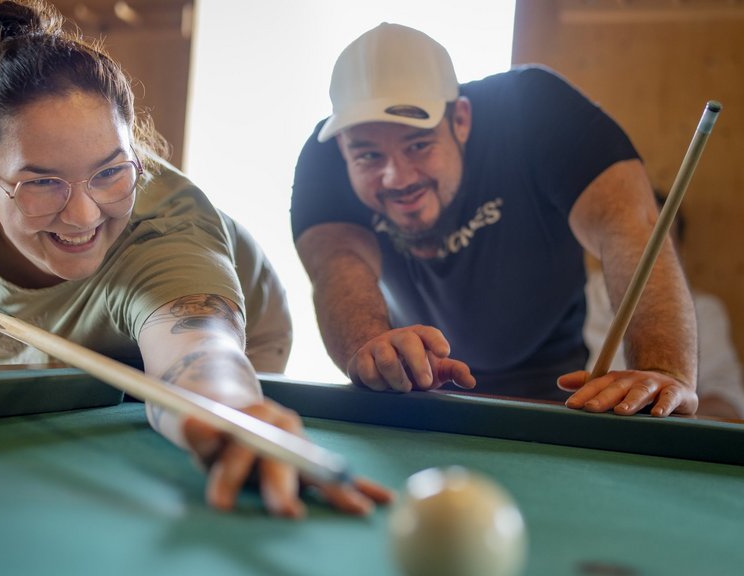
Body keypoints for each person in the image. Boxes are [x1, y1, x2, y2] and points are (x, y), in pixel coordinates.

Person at [0, 0, 390, 517]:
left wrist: (230, 409)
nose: (83, 215)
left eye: (110, 172)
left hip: (239, 336)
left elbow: (198, 355)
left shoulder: (164, 231)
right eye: (41, 182)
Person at [291, 23, 699, 417]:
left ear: (461, 120)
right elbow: (338, 267)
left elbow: (628, 225)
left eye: (418, 144)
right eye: (368, 156)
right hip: (417, 383)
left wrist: (661, 369)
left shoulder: (537, 110)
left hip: (555, 382)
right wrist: (372, 348)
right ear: (343, 147)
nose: (397, 177)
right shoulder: (323, 159)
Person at [584, 196, 744, 420]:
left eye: (662, 241)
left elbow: (731, 401)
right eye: (635, 238)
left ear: (680, 253)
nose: (647, 252)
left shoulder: (706, 311)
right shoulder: (586, 296)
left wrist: (667, 416)